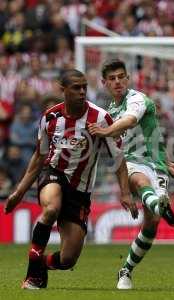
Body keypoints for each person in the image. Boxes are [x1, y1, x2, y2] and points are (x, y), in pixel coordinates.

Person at [4, 69, 138, 289]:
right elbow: (38, 159)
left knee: (67, 260)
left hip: (80, 191)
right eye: (76, 87)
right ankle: (33, 274)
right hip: (53, 173)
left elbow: (118, 159)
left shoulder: (101, 118)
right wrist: (19, 193)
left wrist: (125, 192)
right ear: (63, 89)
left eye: (84, 86)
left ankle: (42, 265)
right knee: (50, 209)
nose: (82, 91)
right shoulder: (50, 118)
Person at [87, 59, 174, 290]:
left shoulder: (137, 99)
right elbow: (117, 147)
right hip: (131, 163)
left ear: (127, 79)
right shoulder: (109, 111)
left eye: (121, 77)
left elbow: (129, 122)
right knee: (140, 181)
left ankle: (126, 269)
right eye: (112, 78)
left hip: (155, 163)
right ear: (105, 83)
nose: (117, 81)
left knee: (151, 225)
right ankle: (161, 205)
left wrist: (165, 162)